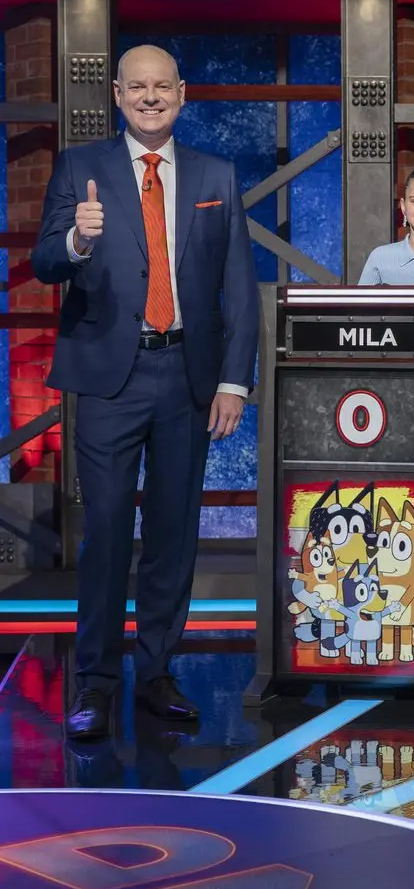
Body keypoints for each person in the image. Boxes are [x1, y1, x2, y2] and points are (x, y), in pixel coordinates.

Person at [32, 45, 259, 739]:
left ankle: (157, 670)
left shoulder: (216, 173)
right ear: (117, 94)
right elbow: (43, 262)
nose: (151, 97)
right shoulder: (80, 167)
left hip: (186, 377)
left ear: (182, 94)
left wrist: (232, 380)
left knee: (171, 533)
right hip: (109, 377)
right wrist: (76, 237)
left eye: (163, 87)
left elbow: (239, 290)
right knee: (103, 531)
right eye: (138, 87)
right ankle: (96, 682)